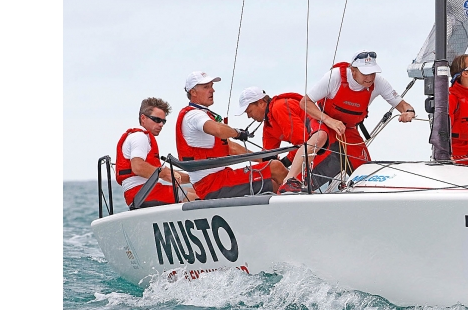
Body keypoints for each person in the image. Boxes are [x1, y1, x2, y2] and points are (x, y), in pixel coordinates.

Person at [279, 51, 416, 192]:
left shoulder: (379, 83)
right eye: (365, 73)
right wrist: (329, 120)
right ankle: (289, 181)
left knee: (365, 171)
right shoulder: (335, 77)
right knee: (321, 136)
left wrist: (409, 112)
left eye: (373, 73)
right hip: (321, 118)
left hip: (347, 128)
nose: (370, 78)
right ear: (353, 70)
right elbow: (305, 103)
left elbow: (403, 105)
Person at [176, 71, 288, 199]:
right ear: (193, 92)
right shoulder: (194, 115)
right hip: (213, 184)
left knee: (273, 182)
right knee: (276, 167)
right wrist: (238, 133)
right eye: (206, 87)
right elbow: (218, 130)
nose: (212, 90)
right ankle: (308, 204)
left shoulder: (201, 114)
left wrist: (262, 159)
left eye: (212, 86)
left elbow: (231, 147)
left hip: (218, 180)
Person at [115, 97, 197, 208]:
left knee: (197, 191)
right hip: (143, 194)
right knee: (200, 197)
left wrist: (196, 178)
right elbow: (138, 167)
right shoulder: (140, 137)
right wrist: (164, 173)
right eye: (157, 120)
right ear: (143, 118)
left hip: (146, 192)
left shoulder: (143, 138)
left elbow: (163, 172)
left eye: (163, 121)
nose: (161, 124)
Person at [235, 86, 307, 168]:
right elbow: (268, 155)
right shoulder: (269, 125)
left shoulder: (279, 108)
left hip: (319, 150)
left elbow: (303, 141)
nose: (248, 116)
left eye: (249, 111)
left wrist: (285, 162)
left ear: (261, 103)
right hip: (309, 155)